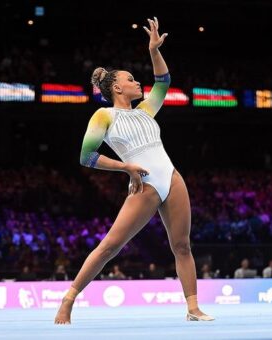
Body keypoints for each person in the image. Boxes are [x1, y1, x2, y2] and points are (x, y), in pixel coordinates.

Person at [54, 17, 214, 324]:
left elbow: (164, 82)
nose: (138, 82)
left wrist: (154, 50)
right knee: (110, 247)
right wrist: (126, 167)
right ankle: (68, 299)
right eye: (131, 79)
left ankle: (193, 308)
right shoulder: (104, 115)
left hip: (172, 178)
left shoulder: (145, 111)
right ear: (116, 87)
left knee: (182, 245)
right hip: (146, 184)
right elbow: (86, 157)